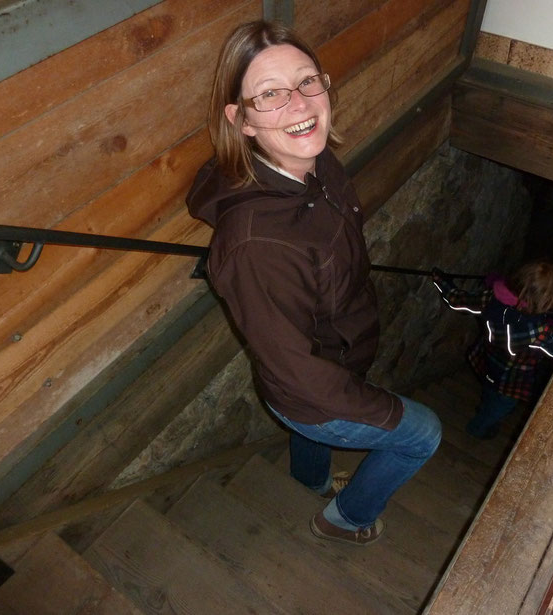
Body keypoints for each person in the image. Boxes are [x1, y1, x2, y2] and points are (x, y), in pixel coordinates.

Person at [186, 20, 441, 546]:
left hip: (332, 359)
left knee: (313, 435)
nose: (300, 105)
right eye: (271, 94)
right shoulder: (257, 246)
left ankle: (312, 480)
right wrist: (385, 408)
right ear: (242, 121)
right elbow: (299, 374)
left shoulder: (312, 159)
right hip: (311, 392)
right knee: (424, 434)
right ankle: (343, 519)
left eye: (307, 82)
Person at [432, 260, 553, 439]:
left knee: (490, 391)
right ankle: (476, 429)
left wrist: (441, 281)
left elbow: (456, 299)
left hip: (488, 363)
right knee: (498, 408)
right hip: (512, 381)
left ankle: (485, 408)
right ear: (546, 300)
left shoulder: (489, 298)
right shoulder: (540, 331)